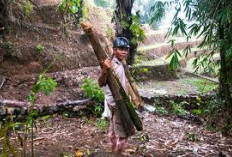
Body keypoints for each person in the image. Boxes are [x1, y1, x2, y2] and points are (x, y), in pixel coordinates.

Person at [98, 37, 132, 154]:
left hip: (113, 102)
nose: (124, 52)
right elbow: (100, 83)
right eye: (121, 49)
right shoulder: (110, 65)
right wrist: (104, 70)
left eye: (126, 49)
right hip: (118, 104)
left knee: (112, 134)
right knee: (123, 136)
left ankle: (112, 153)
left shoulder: (119, 62)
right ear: (114, 50)